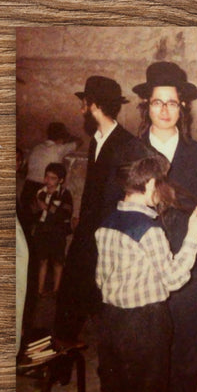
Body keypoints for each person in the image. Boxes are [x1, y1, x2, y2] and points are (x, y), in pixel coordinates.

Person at [96, 156, 197, 392]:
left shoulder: (107, 224)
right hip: (146, 323)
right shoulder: (149, 229)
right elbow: (173, 279)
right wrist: (193, 236)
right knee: (149, 389)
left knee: (116, 387)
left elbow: (100, 279)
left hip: (111, 320)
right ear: (151, 184)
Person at [133, 61, 197, 392]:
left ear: (182, 107)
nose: (165, 109)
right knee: (148, 348)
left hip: (190, 263)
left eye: (172, 102)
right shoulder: (131, 151)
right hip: (144, 264)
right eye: (158, 102)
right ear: (147, 106)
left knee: (185, 349)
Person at [53, 76, 148, 346]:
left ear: (92, 104)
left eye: (84, 102)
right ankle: (62, 355)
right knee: (72, 293)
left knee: (101, 302)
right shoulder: (97, 139)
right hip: (89, 231)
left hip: (110, 235)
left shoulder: (126, 144)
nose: (81, 108)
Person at [18, 121, 78, 233]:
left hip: (27, 188)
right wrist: (68, 137)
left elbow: (24, 170)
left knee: (25, 226)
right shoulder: (59, 148)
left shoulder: (36, 148)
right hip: (43, 188)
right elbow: (80, 142)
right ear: (62, 137)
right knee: (44, 222)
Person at [29, 162, 73, 295]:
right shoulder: (40, 192)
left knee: (58, 262)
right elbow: (32, 211)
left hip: (57, 231)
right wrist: (37, 207)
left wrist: (47, 207)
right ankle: (40, 290)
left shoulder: (65, 194)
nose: (48, 180)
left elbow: (65, 213)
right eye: (46, 176)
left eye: (53, 178)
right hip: (42, 230)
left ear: (61, 180)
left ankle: (56, 290)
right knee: (42, 260)